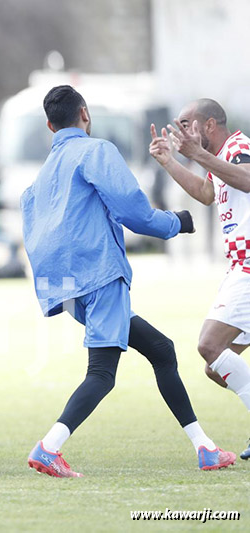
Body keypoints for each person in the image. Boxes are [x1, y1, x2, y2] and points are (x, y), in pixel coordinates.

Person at [21, 85, 235, 477]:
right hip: (99, 276)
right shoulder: (96, 150)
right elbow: (132, 211)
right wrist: (178, 223)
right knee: (101, 374)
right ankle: (48, 448)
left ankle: (204, 447)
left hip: (65, 289)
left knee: (161, 349)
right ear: (84, 114)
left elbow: (35, 233)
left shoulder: (40, 177)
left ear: (50, 125)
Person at [150, 98, 250, 461]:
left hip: (249, 269)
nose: (180, 131)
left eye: (186, 123)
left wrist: (198, 155)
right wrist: (170, 161)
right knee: (215, 368)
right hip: (238, 269)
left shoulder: (238, 147)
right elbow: (207, 194)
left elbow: (249, 180)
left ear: (209, 125)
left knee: (209, 345)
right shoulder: (220, 159)